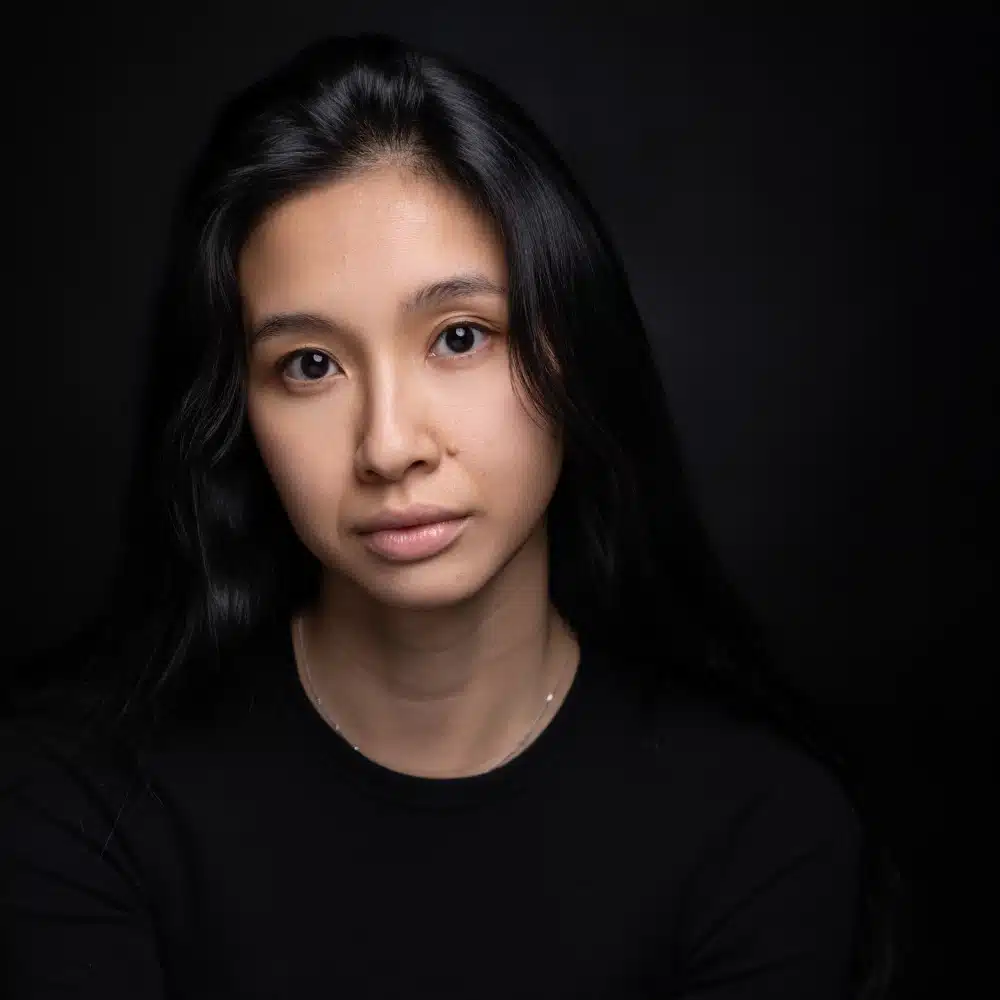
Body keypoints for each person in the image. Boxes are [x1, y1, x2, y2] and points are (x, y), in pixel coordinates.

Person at [0, 32, 905, 998]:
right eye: (310, 364)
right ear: (235, 414)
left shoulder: (761, 827)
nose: (390, 446)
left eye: (461, 337)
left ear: (576, 352)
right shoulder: (75, 798)